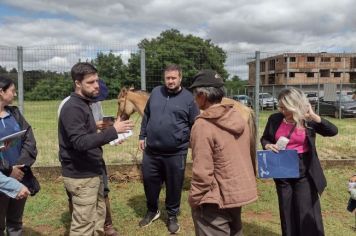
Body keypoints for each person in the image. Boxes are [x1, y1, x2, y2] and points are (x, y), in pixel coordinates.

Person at [58, 62, 134, 236]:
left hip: (93, 170)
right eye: (90, 82)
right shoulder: (73, 108)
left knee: (98, 218)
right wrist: (114, 131)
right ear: (78, 83)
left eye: (97, 81)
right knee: (83, 226)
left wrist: (112, 135)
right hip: (81, 175)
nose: (96, 86)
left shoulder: (84, 104)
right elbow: (80, 142)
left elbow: (89, 137)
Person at [188, 69, 258, 236]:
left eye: (195, 94)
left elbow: (202, 172)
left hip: (213, 201)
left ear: (203, 96)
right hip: (235, 194)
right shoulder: (238, 117)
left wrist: (195, 199)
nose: (194, 99)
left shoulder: (203, 125)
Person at [261, 87, 338, 236]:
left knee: (305, 209)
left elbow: (333, 131)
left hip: (304, 169)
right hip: (281, 168)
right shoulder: (274, 119)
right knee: (286, 209)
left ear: (294, 105)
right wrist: (267, 145)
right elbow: (265, 138)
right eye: (280, 106)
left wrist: (315, 117)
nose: (282, 110)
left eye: (285, 107)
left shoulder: (307, 120)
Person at [138, 64, 200, 233]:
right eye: (168, 78)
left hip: (175, 152)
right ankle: (152, 210)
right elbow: (147, 116)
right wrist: (142, 136)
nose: (170, 81)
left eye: (173, 78)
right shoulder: (156, 92)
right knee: (150, 182)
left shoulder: (189, 98)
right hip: (151, 152)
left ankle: (172, 215)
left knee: (174, 185)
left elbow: (195, 124)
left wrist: (187, 142)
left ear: (180, 78)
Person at [0, 76, 38, 236]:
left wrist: (20, 167)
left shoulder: (14, 113)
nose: (15, 94)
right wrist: (9, 170)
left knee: (16, 223)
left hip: (20, 175)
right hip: (2, 178)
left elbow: (29, 139)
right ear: (1, 92)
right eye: (12, 91)